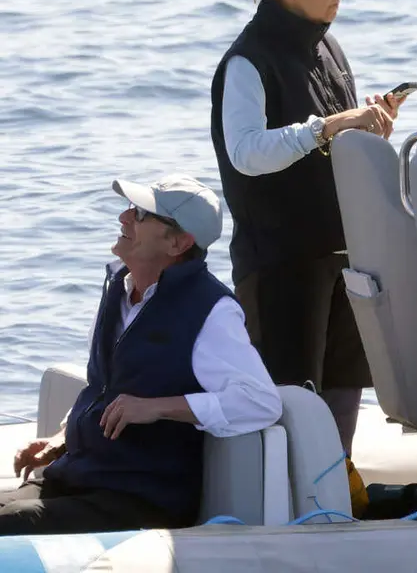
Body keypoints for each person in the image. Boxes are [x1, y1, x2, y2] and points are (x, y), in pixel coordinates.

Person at [210, 0, 405, 475]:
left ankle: (335, 492)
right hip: (280, 263)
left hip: (341, 252)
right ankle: (293, 508)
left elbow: (331, 133)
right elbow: (246, 153)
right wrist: (328, 127)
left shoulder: (328, 46)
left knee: (345, 384)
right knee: (291, 394)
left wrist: (367, 123)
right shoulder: (247, 60)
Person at [2, 174, 282, 536]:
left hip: (137, 499)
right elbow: (106, 386)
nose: (124, 218)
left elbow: (261, 402)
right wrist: (62, 438)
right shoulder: (119, 288)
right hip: (77, 478)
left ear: (178, 242)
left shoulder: (211, 311)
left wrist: (158, 406)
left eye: (141, 214)